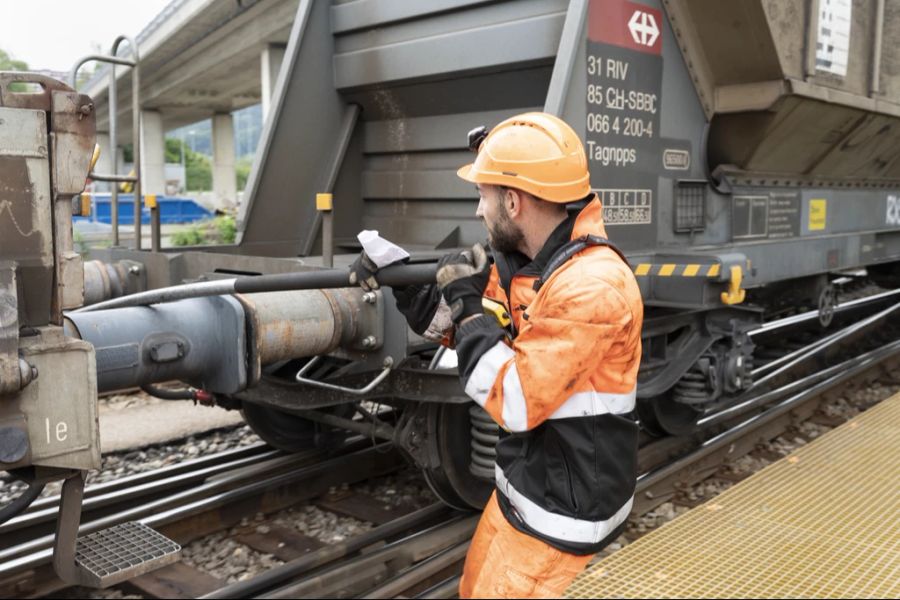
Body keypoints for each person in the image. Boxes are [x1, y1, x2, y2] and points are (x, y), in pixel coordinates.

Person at [349, 112, 643, 598]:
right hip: (523, 491)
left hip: (562, 520)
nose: (477, 212)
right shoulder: (534, 267)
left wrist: (467, 308)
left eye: (482, 196)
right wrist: (405, 281)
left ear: (513, 200)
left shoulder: (592, 288)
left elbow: (515, 400)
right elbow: (468, 334)